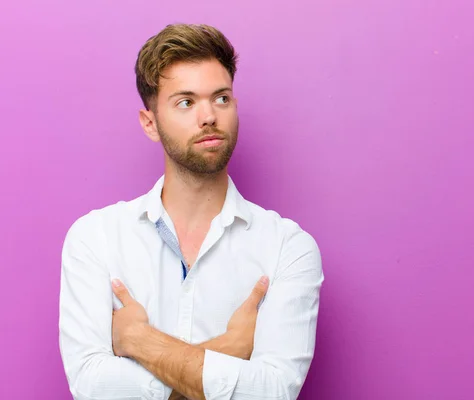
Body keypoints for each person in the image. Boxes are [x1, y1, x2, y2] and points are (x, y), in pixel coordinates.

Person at [59, 23, 324, 400]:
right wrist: (230, 350)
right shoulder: (96, 238)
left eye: (221, 98)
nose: (209, 117)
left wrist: (140, 340)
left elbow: (273, 392)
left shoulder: (288, 248)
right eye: (186, 102)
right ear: (150, 123)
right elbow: (91, 384)